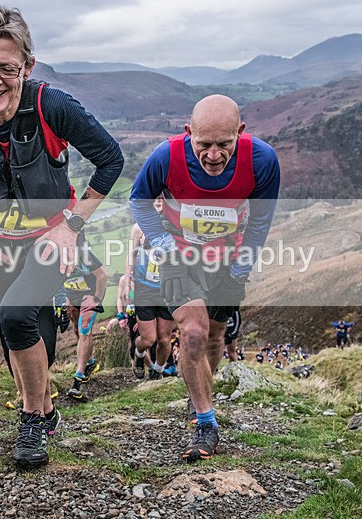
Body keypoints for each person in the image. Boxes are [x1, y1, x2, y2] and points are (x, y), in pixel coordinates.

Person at [0, 6, 123, 468]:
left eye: (7, 70)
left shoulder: (52, 106)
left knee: (14, 318)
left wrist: (73, 228)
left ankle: (32, 420)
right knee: (13, 323)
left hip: (53, 237)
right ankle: (47, 409)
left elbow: (110, 159)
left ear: (27, 67)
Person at [130, 94, 280, 462]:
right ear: (188, 133)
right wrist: (163, 243)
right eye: (203, 145)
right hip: (178, 257)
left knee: (214, 336)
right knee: (193, 332)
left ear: (240, 134)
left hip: (228, 260)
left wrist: (244, 264)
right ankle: (206, 422)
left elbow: (260, 220)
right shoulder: (165, 157)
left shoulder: (262, 160)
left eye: (224, 145)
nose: (213, 155)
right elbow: (138, 200)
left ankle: (200, 395)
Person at [126, 221, 176, 380]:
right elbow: (131, 254)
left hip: (167, 288)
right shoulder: (138, 227)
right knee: (148, 339)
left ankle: (157, 371)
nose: (159, 201)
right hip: (144, 288)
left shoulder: (175, 222)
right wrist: (127, 279)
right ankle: (139, 354)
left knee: (164, 339)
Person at [63, 250, 107, 399]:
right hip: (72, 294)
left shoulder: (83, 253)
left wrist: (97, 299)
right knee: (76, 329)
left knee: (84, 330)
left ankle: (78, 379)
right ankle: (90, 362)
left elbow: (102, 275)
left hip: (90, 293)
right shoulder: (51, 256)